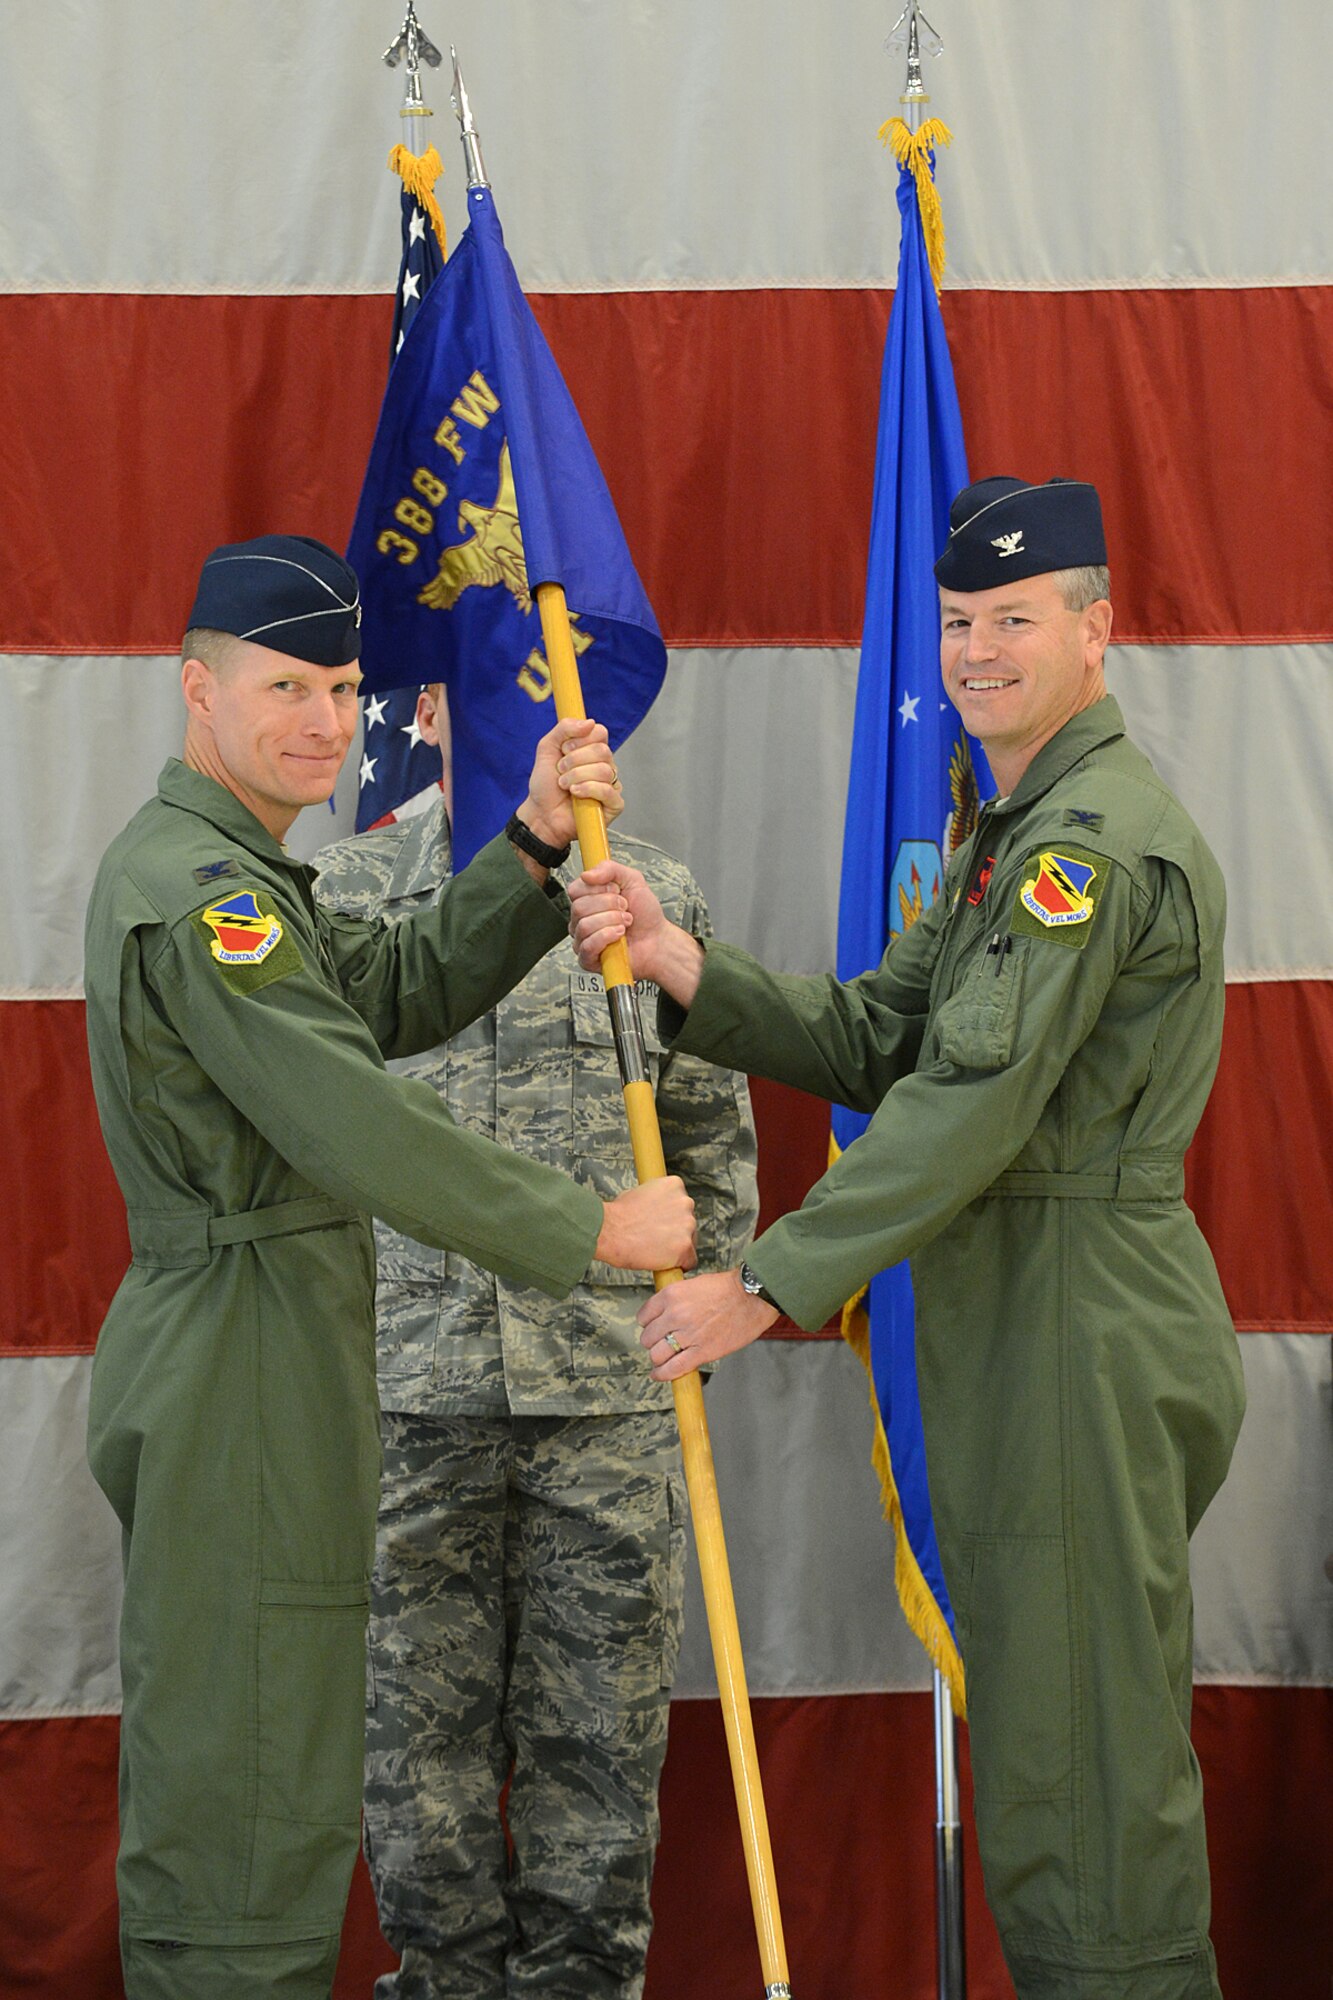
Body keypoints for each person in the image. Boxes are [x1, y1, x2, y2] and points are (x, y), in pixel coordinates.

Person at [568, 478, 1246, 2000]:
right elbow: (887, 1034)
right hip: (1018, 1321)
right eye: (954, 622)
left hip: (1080, 1322)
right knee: (1055, 1762)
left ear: (1095, 627)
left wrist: (766, 1282)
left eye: (1013, 618)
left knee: (1085, 1794)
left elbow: (968, 1107)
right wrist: (690, 968)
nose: (974, 652)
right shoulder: (1001, 825)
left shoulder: (1088, 847)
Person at [82, 535, 696, 2000]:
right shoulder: (199, 891)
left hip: (276, 1342)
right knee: (244, 1781)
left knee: (276, 1763)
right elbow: (343, 1110)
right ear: (196, 686)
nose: (317, 718)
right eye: (283, 683)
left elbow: (390, 993)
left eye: (341, 687)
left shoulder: (247, 873)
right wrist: (589, 1232)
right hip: (238, 1352)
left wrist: (534, 845)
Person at [313, 682, 757, 2000]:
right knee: (417, 1804)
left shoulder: (646, 887)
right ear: (425, 695)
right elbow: (318, 1150)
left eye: (530, 673)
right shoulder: (349, 893)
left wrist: (696, 1325)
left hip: (606, 1412)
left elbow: (709, 1142)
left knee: (598, 1801)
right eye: (469, 668)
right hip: (408, 1406)